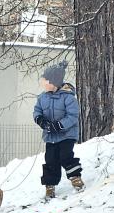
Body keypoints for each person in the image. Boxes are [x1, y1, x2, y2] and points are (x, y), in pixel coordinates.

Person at [33, 60, 82, 199]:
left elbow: (72, 116)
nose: (43, 83)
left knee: (65, 156)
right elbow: (37, 112)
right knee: (50, 160)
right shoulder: (42, 98)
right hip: (51, 137)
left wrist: (59, 125)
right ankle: (50, 185)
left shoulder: (68, 97)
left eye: (45, 81)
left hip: (67, 135)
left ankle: (75, 177)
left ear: (54, 82)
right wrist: (41, 120)